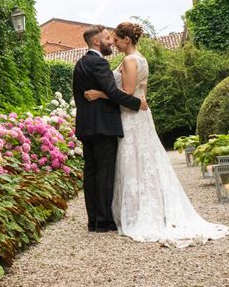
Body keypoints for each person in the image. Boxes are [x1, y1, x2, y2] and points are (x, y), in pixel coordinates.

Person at [85, 22, 228, 247]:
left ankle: (142, 211)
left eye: (117, 39)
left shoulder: (131, 61)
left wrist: (100, 94)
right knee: (143, 161)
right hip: (139, 114)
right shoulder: (140, 59)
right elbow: (143, 93)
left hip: (132, 117)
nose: (114, 43)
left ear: (127, 40)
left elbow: (129, 94)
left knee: (134, 161)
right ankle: (142, 206)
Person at [73, 25, 148, 233]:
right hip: (103, 126)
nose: (111, 42)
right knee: (104, 173)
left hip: (86, 126)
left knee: (91, 173)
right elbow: (114, 93)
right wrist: (136, 103)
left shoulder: (79, 64)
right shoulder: (99, 63)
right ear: (97, 42)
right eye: (107, 38)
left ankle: (93, 221)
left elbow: (81, 98)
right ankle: (105, 221)